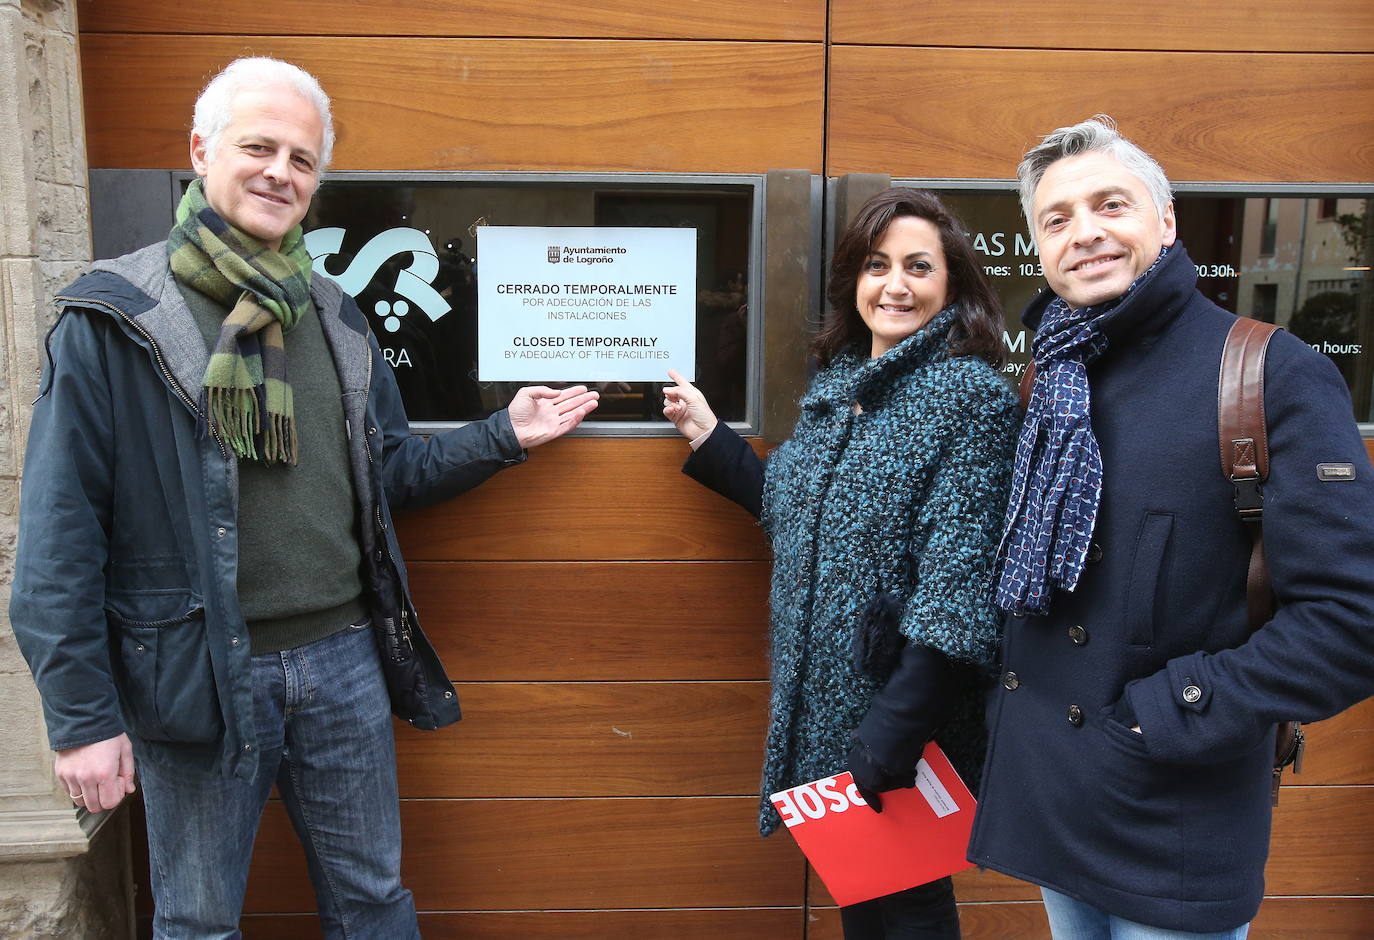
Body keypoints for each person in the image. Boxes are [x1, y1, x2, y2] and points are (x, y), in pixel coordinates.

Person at [9, 57, 597, 938]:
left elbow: (385, 474)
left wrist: (500, 435)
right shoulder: (114, 321)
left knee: (373, 905)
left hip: (343, 662)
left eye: (303, 158)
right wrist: (82, 720)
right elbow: (58, 540)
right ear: (202, 150)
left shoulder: (334, 315)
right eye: (259, 146)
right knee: (199, 921)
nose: (281, 171)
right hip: (196, 674)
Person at [968, 116, 1374, 939]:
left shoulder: (1271, 372)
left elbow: (1352, 623)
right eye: (1056, 219)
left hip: (1173, 812)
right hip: (1057, 793)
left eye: (1109, 204)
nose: (1084, 233)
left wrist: (1169, 713)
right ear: (1039, 249)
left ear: (1165, 221)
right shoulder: (1054, 373)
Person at [664, 188, 1018, 938]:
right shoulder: (838, 393)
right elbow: (802, 518)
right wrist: (710, 437)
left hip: (900, 723)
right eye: (876, 264)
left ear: (952, 282)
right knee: (864, 902)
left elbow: (957, 596)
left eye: (918, 267)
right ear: (852, 281)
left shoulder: (971, 400)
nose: (895, 284)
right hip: (827, 712)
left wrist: (887, 742)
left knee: (909, 909)